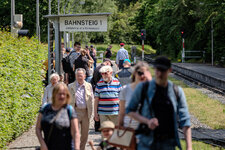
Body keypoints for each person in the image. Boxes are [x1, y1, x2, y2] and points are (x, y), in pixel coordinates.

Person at [126, 56, 192, 150]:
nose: (159, 74)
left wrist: (189, 147)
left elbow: (185, 120)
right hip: (146, 143)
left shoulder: (176, 91)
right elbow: (129, 110)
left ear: (169, 70)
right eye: (157, 70)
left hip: (168, 143)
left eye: (163, 71)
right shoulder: (143, 88)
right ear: (154, 69)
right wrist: (147, 121)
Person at [36, 83, 80, 150]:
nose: (62, 96)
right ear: (54, 94)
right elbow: (38, 128)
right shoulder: (45, 109)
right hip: (48, 147)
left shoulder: (69, 110)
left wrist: (77, 148)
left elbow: (76, 132)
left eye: (64, 94)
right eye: (59, 94)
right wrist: (42, 143)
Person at [118, 61, 152, 129]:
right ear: (134, 73)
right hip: (129, 130)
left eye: (144, 74)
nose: (142, 76)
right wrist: (119, 128)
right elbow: (121, 112)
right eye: (140, 73)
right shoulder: (125, 90)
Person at [68, 68, 94, 150]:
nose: (79, 77)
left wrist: (92, 113)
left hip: (86, 112)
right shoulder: (70, 86)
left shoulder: (89, 85)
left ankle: (81, 148)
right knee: (75, 133)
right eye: (78, 75)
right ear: (75, 76)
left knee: (85, 134)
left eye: (81, 75)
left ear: (85, 76)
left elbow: (92, 99)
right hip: (75, 111)